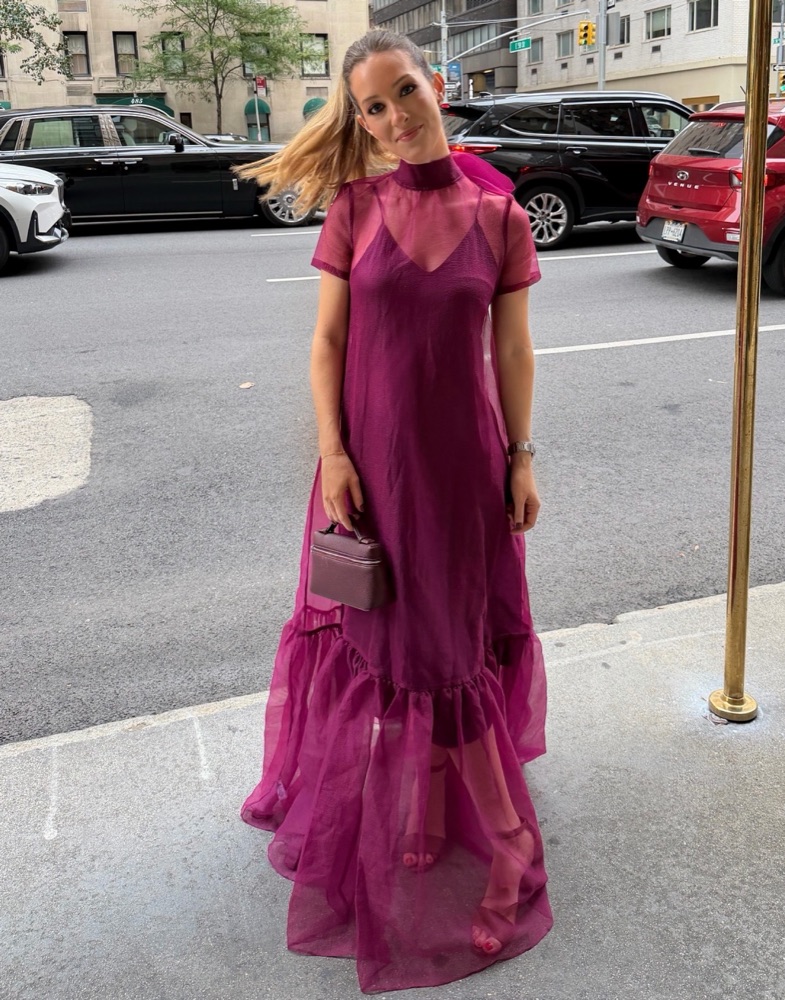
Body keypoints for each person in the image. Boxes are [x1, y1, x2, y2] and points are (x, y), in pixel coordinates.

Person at [238, 27, 552, 994]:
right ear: (362, 123)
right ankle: (423, 809)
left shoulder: (500, 217)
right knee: (390, 643)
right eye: (372, 107)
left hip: (460, 475)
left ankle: (506, 844)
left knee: (448, 655)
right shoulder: (356, 208)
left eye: (403, 91)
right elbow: (327, 344)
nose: (393, 116)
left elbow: (512, 352)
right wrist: (332, 452)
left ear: (436, 85)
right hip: (370, 470)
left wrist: (523, 458)